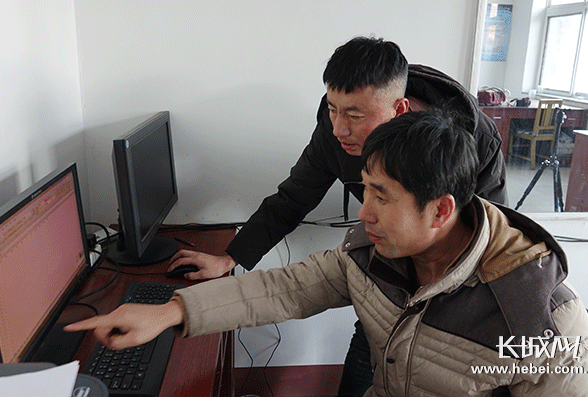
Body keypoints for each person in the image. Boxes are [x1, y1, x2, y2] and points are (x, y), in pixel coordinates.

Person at [66, 110, 588, 396]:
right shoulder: (374, 254)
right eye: (364, 191)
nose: (363, 214)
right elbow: (284, 288)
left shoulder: (541, 319)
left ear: (441, 210)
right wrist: (170, 312)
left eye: (382, 198)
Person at [168, 36, 508, 395]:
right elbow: (293, 198)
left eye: (355, 116)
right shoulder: (337, 135)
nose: (338, 128)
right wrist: (229, 258)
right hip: (385, 280)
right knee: (363, 362)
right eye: (333, 109)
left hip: (455, 297)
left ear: (400, 109)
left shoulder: (475, 141)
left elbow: (491, 234)